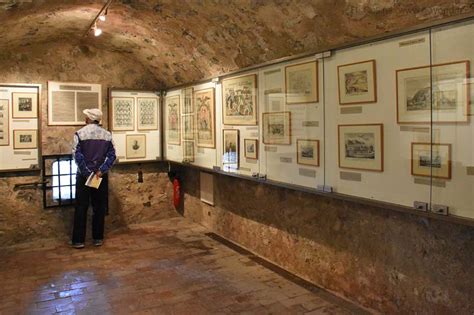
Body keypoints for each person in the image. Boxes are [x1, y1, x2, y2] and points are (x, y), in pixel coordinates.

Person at [71, 108, 116, 249]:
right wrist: (100, 171)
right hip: (99, 176)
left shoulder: (79, 134)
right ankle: (97, 238)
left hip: (84, 176)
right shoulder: (107, 135)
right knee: (99, 207)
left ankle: (79, 240)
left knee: (81, 207)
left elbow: (77, 155)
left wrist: (86, 172)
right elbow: (112, 155)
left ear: (88, 119)